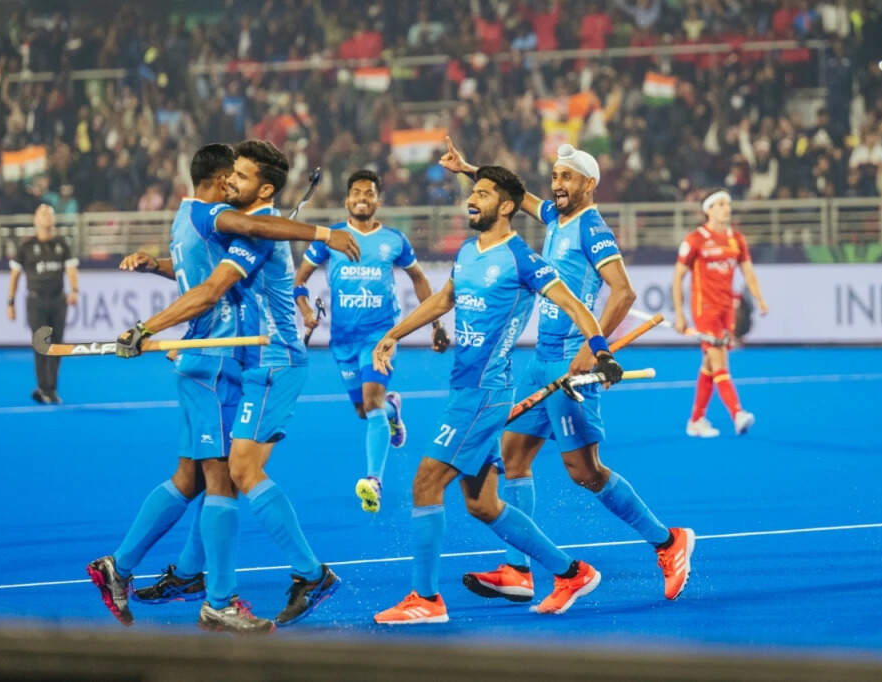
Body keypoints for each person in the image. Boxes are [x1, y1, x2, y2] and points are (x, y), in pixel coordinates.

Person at [86, 142, 359, 632]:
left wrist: (148, 325)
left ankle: (277, 578)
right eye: (231, 174)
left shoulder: (244, 225)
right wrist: (160, 280)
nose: (233, 181)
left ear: (265, 188)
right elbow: (211, 275)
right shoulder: (239, 224)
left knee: (230, 472)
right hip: (241, 361)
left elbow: (220, 276)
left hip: (271, 360)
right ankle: (219, 582)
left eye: (242, 175)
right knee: (215, 475)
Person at [440, 140, 695, 605]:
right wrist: (469, 169)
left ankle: (667, 541)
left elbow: (623, 293)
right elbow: (518, 197)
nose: (557, 184)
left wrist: (590, 351)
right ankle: (518, 571)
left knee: (584, 471)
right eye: (555, 176)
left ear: (588, 184)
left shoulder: (592, 229)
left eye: (567, 178)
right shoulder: (557, 218)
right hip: (540, 360)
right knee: (513, 457)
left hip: (570, 363)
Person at [371, 165, 624, 625]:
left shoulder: (523, 259)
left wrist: (600, 350)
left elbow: (574, 303)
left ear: (507, 206)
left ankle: (425, 600)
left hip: (483, 394)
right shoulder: (468, 250)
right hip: (465, 388)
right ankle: (571, 573)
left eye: (484, 194)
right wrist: (393, 334)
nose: (472, 200)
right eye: (473, 193)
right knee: (482, 503)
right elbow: (443, 299)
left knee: (426, 483)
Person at [293, 169, 450, 513]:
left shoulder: (394, 240)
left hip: (380, 337)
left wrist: (436, 324)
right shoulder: (330, 238)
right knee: (365, 410)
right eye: (356, 192)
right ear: (346, 199)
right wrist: (305, 310)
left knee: (371, 401)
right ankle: (393, 409)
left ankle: (373, 481)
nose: (362, 198)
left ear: (378, 200)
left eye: (369, 193)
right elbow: (299, 281)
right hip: (342, 340)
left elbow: (419, 279)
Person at [673, 189, 768, 437]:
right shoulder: (695, 239)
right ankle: (737, 414)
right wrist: (680, 315)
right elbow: (678, 277)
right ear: (709, 210)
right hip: (705, 310)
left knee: (709, 364)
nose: (727, 208)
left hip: (727, 311)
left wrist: (759, 299)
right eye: (721, 204)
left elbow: (748, 272)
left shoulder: (737, 239)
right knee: (720, 361)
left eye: (728, 204)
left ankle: (696, 420)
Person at [7, 204, 79, 404]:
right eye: (42, 213)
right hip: (36, 300)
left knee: (57, 345)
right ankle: (43, 387)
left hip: (57, 300)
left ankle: (52, 388)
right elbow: (15, 275)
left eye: (50, 213)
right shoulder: (26, 246)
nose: (46, 217)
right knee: (41, 343)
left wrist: (74, 290)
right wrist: (10, 302)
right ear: (35, 220)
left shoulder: (62, 244)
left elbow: (71, 269)